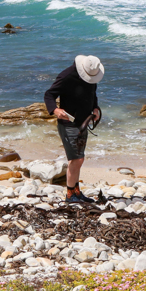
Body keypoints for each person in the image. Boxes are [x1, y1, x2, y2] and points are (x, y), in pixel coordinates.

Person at [44, 55, 103, 203]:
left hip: (84, 122)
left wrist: (95, 108)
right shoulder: (66, 76)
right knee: (76, 159)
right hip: (68, 123)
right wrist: (56, 111)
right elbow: (49, 95)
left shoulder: (91, 76)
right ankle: (70, 195)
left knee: (79, 159)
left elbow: (92, 93)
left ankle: (76, 192)